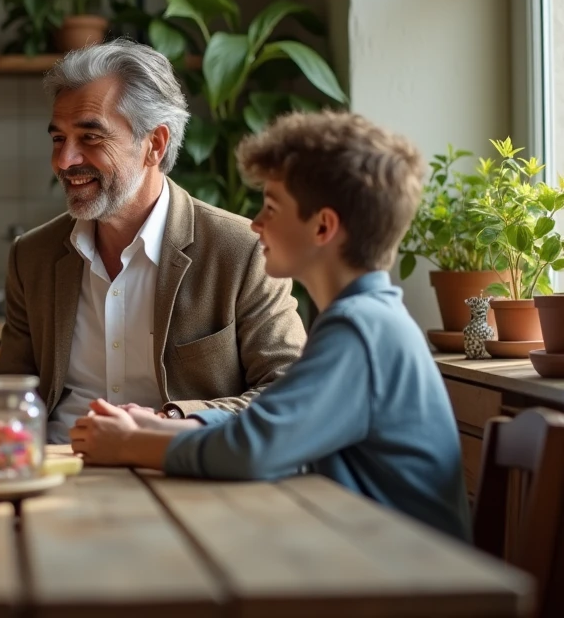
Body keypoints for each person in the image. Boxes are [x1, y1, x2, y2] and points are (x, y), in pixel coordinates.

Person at [70, 111, 471, 541]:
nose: (257, 223)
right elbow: (271, 422)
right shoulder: (364, 318)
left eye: (272, 207)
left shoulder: (361, 328)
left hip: (413, 575)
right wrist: (154, 426)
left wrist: (128, 445)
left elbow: (254, 450)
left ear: (323, 227)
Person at [0, 39, 305, 444]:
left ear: (154, 144)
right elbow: (9, 396)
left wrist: (171, 422)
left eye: (90, 137)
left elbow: (289, 394)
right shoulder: (31, 256)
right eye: (58, 139)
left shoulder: (242, 250)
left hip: (177, 470)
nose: (64, 160)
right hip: (54, 472)